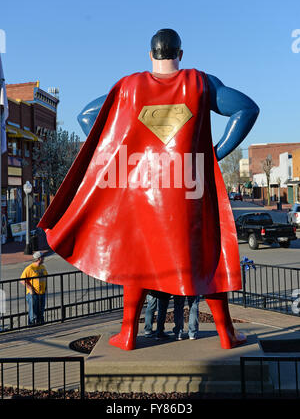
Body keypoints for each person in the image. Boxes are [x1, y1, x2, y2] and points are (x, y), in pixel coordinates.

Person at [38, 28, 259, 351]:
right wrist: (217, 152)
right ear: (180, 55)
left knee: (136, 258)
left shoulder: (129, 87)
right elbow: (247, 109)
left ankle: (128, 334)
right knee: (205, 258)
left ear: (150, 55)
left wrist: (118, 148)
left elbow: (86, 115)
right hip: (189, 187)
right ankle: (227, 334)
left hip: (143, 189)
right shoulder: (200, 82)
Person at [20, 251, 47, 325]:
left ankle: (40, 324)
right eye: (43, 257)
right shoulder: (30, 268)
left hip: (42, 292)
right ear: (39, 259)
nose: (44, 259)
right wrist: (31, 289)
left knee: (41, 310)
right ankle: (32, 325)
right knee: (33, 311)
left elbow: (45, 277)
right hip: (33, 294)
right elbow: (22, 280)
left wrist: (45, 288)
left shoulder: (42, 267)